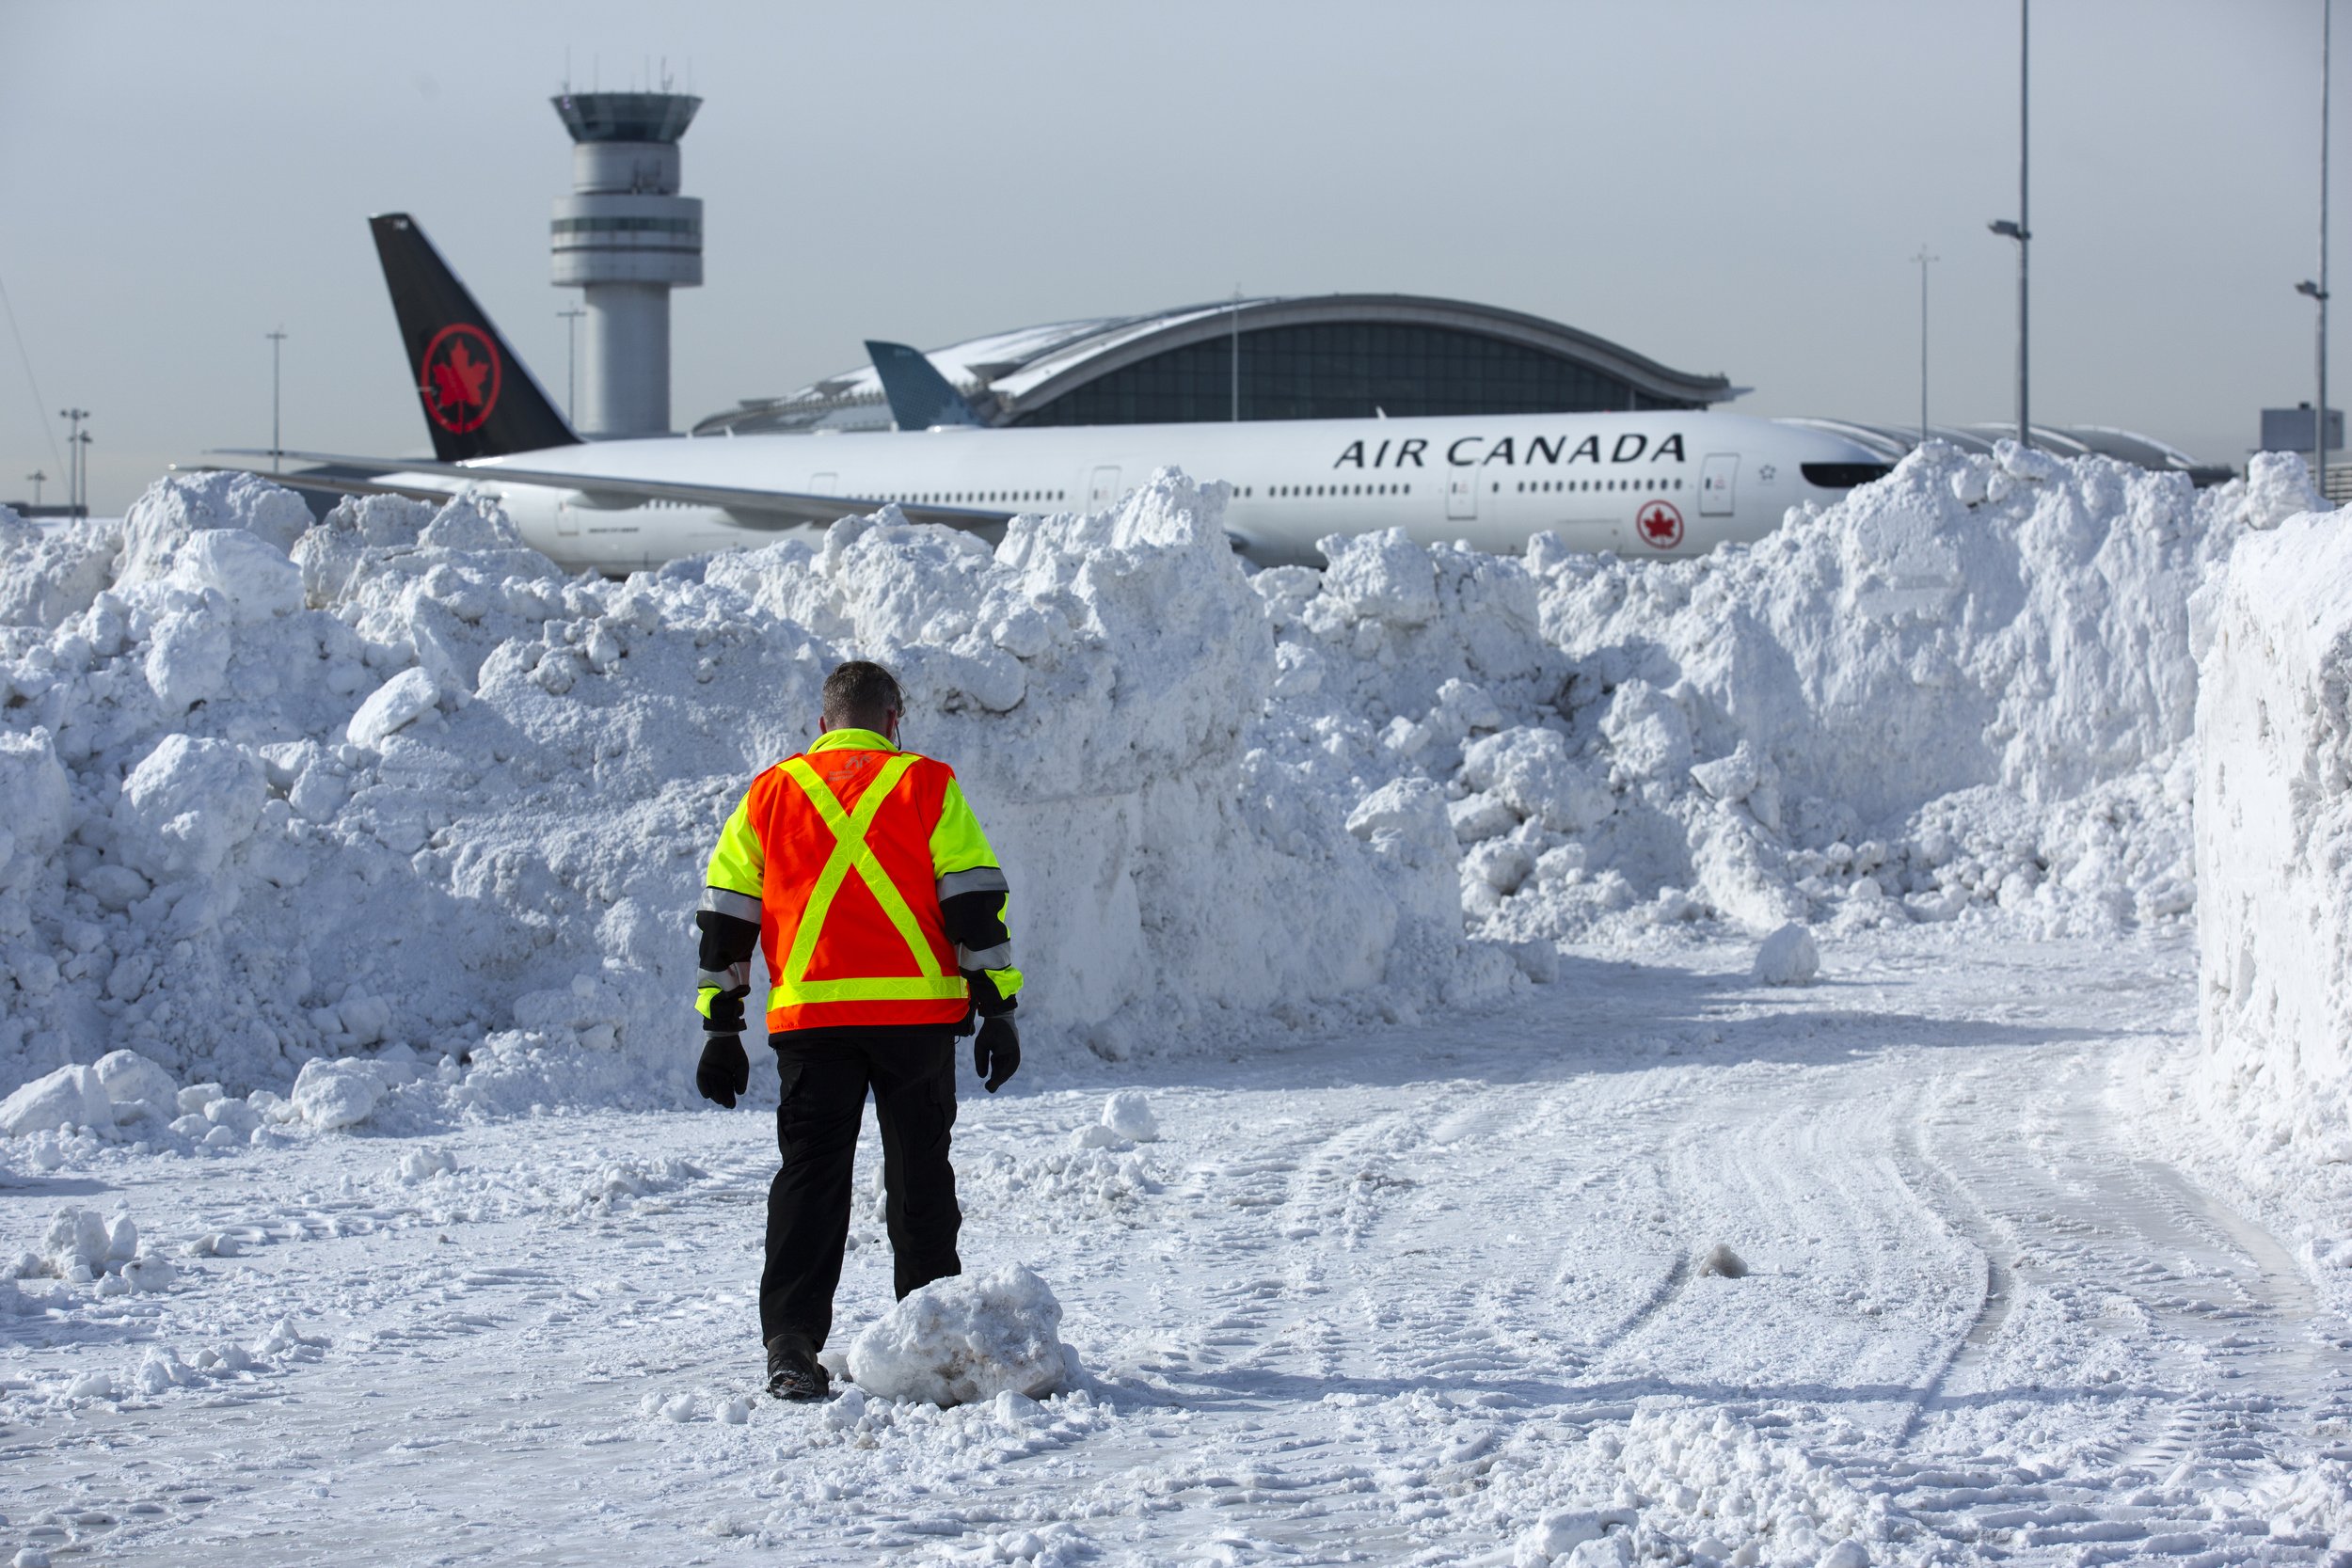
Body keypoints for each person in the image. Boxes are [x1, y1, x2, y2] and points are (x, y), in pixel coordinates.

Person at [691, 659, 1023, 1401]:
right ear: (894, 720)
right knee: (920, 1180)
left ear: (822, 725)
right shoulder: (927, 784)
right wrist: (998, 1007)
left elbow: (725, 916)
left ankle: (790, 1346)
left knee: (810, 1181)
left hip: (813, 1023)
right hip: (916, 1021)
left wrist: (721, 1023)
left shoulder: (772, 793)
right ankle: (928, 1334)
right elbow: (974, 903)